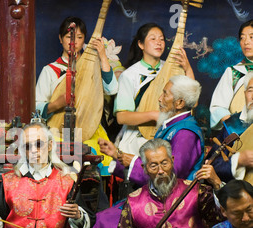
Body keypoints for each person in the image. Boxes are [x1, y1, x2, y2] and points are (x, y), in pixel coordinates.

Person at [35, 16, 118, 176]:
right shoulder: (50, 70)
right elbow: (37, 107)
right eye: (69, 37)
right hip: (58, 130)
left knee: (99, 154)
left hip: (90, 128)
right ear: (60, 39)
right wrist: (56, 105)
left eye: (79, 38)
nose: (74, 42)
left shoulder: (93, 68)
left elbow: (112, 89)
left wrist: (102, 56)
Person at [99, 75, 205, 187]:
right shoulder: (173, 126)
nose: (160, 98)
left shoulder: (186, 134)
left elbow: (170, 176)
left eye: (165, 94)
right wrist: (116, 154)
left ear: (180, 103)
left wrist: (133, 162)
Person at [114, 23, 194, 156]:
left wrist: (188, 69)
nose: (159, 43)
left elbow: (192, 103)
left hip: (170, 134)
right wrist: (153, 115)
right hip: (138, 137)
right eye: (153, 39)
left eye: (161, 39)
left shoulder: (172, 69)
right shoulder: (130, 75)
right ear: (141, 44)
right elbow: (122, 117)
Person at [209, 19, 253, 130]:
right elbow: (217, 107)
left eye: (251, 37)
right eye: (242, 38)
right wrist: (236, 128)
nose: (246, 42)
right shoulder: (234, 72)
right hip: (240, 137)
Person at [210, 71, 253, 183]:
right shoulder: (231, 126)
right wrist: (238, 161)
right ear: (244, 94)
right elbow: (212, 167)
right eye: (250, 90)